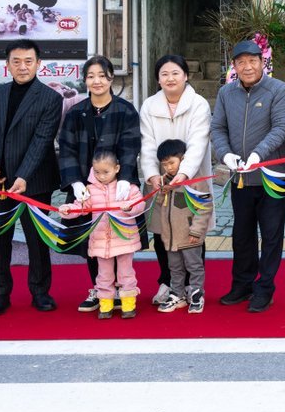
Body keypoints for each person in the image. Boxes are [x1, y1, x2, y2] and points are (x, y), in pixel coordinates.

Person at [0, 40, 63, 317]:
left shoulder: (51, 98)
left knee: (37, 240)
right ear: (7, 65)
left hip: (34, 182)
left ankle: (40, 292)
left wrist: (24, 175)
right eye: (16, 61)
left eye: (28, 61)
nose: (22, 67)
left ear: (38, 64)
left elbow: (41, 141)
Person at [211, 40, 285, 313]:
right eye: (241, 62)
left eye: (252, 61)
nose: (247, 67)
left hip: (271, 177)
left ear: (262, 62)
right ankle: (242, 284)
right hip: (241, 178)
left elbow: (282, 127)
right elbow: (217, 128)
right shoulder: (226, 93)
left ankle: (264, 288)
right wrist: (225, 155)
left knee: (271, 234)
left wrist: (259, 153)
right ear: (234, 66)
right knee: (242, 234)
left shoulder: (278, 90)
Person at [57, 55, 141, 312]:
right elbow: (67, 149)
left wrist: (125, 177)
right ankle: (99, 288)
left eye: (102, 76)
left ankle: (124, 289)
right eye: (91, 76)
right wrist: (74, 182)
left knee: (120, 240)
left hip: (118, 187)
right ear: (85, 80)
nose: (97, 81)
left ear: (111, 78)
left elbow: (130, 146)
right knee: (92, 240)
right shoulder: (75, 112)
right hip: (87, 188)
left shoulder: (125, 110)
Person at [139, 53, 213, 308]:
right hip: (160, 181)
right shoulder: (149, 106)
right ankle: (169, 283)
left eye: (175, 73)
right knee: (163, 231)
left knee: (193, 232)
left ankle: (194, 288)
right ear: (158, 79)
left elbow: (198, 142)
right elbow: (147, 144)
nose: (170, 78)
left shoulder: (198, 104)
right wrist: (152, 175)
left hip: (191, 180)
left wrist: (184, 174)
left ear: (186, 76)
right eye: (164, 74)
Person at [57, 150, 143, 319]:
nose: (101, 176)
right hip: (101, 241)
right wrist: (68, 210)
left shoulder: (127, 187)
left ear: (117, 168)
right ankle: (105, 305)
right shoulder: (89, 189)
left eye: (106, 172)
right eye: (97, 172)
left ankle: (128, 304)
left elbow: (140, 203)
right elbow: (81, 207)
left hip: (124, 240)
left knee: (126, 274)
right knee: (103, 275)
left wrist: (130, 207)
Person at [147, 139, 212, 314]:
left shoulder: (195, 180)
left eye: (171, 163)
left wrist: (196, 230)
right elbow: (159, 204)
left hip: (189, 235)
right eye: (164, 164)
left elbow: (205, 206)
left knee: (194, 266)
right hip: (171, 237)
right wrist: (160, 192)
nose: (168, 168)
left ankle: (197, 294)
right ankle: (177, 294)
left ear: (183, 159)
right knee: (174, 268)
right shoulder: (165, 181)